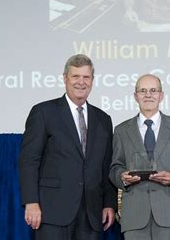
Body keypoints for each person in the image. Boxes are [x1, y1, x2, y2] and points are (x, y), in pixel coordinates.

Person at [18, 54, 117, 240]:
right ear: (65, 79)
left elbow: (106, 167)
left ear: (92, 81)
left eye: (86, 77)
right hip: (53, 211)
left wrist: (108, 203)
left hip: (91, 214)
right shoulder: (43, 112)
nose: (81, 82)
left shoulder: (103, 119)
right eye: (75, 76)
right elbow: (29, 160)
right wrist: (31, 202)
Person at [109, 74, 170, 239]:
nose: (148, 95)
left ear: (161, 95)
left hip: (169, 211)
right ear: (136, 96)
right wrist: (122, 177)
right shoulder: (121, 130)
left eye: (153, 90)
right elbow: (115, 166)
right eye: (143, 91)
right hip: (135, 215)